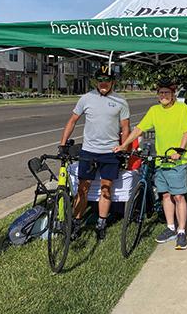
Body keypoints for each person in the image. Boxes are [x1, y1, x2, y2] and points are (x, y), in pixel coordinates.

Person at [114, 78, 187, 250]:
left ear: (173, 95)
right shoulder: (154, 110)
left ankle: (181, 231)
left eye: (167, 93)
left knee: (178, 196)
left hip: (177, 160)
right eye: (161, 93)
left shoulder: (182, 108)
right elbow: (139, 129)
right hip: (161, 160)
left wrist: (179, 150)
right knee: (165, 195)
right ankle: (171, 227)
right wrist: (124, 145)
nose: (163, 96)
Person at [59, 62, 130, 240]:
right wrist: (63, 143)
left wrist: (124, 149)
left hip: (110, 151)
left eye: (107, 81)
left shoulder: (121, 101)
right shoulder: (86, 98)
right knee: (83, 189)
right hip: (89, 151)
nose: (103, 84)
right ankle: (76, 222)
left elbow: (126, 128)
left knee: (106, 189)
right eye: (100, 81)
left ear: (113, 82)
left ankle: (101, 222)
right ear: (96, 82)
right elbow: (72, 120)